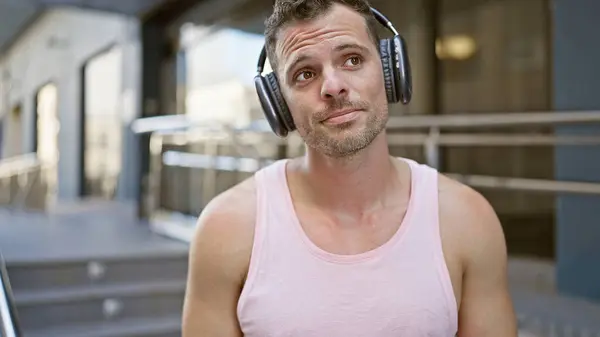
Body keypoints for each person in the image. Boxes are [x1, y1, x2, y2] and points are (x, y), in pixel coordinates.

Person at [182, 0, 518, 335]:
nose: (333, 86)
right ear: (279, 104)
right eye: (305, 73)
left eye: (353, 59)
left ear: (390, 71)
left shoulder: (467, 219)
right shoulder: (226, 229)